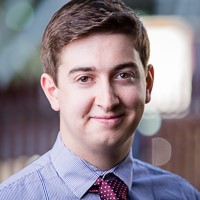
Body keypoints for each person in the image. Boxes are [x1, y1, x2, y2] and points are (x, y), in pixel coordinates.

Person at [0, 0, 199, 199]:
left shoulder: (182, 195)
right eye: (84, 78)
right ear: (52, 91)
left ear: (147, 83)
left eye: (123, 75)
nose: (107, 100)